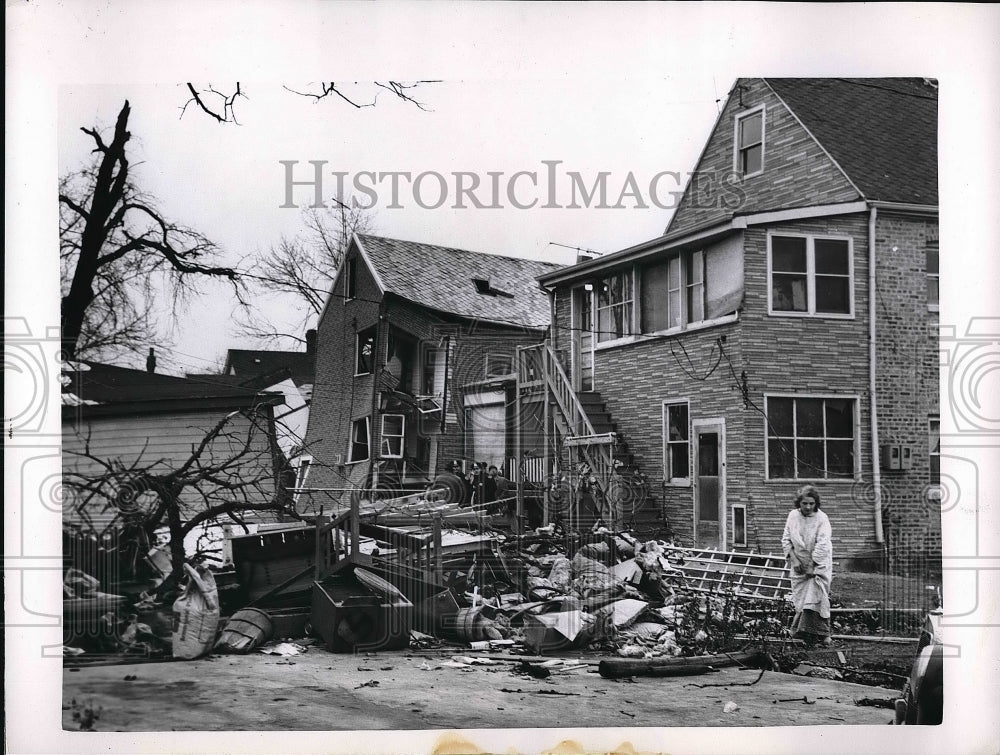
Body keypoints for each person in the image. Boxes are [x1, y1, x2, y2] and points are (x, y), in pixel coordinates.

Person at [781, 484, 834, 646]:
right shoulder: (793, 516)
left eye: (811, 503)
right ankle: (803, 633)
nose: (808, 507)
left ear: (816, 503)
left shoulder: (822, 518)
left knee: (817, 596)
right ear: (799, 503)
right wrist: (795, 560)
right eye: (805, 503)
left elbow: (823, 543)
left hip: (819, 563)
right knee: (802, 599)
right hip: (798, 564)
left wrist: (812, 565)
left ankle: (822, 634)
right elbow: (786, 539)